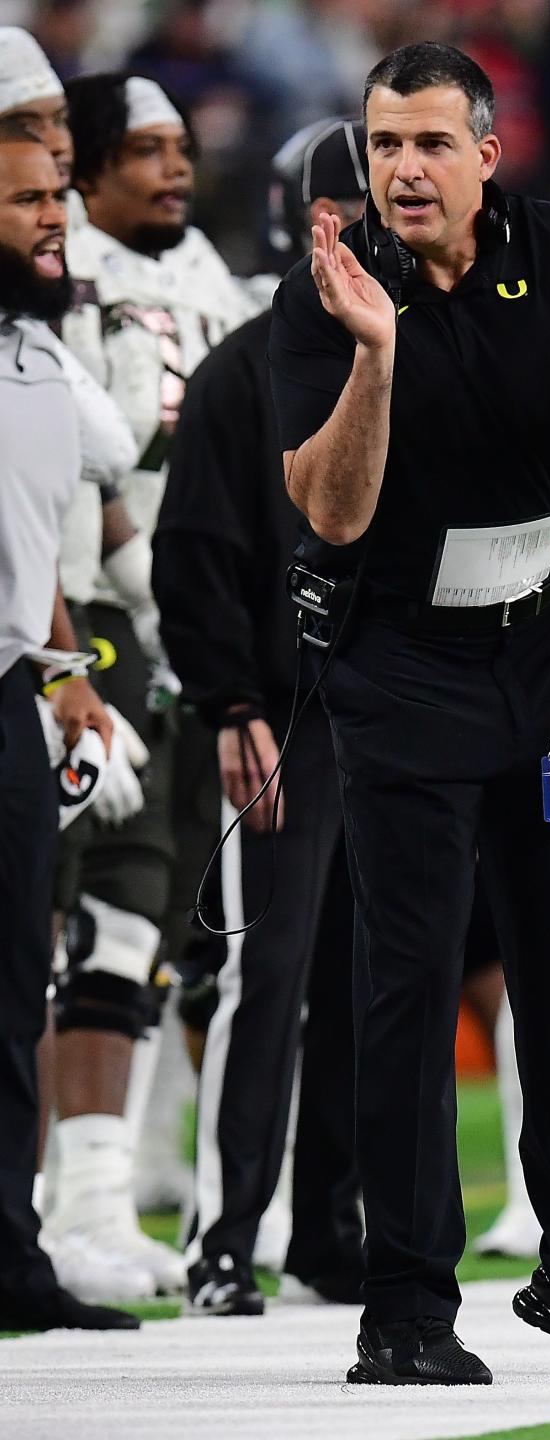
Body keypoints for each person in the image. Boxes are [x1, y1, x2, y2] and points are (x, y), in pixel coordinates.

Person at [270, 41, 550, 1385]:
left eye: (430, 143)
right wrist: (377, 359)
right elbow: (330, 511)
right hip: (401, 663)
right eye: (383, 143)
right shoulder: (331, 293)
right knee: (406, 988)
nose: (403, 168)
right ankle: (403, 1303)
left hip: (547, 662)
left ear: (487, 152)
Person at [42, 69, 256, 1292]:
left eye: (182, 148)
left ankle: (92, 1204)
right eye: (148, 151)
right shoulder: (49, 271)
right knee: (48, 917)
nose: (175, 170)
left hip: (158, 615)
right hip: (71, 614)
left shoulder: (199, 277)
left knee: (135, 920)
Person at [152, 117, 368, 1317]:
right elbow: (195, 551)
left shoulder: (414, 349)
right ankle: (224, 1238)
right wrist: (231, 699)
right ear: (316, 220)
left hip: (396, 714)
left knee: (369, 982)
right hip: (283, 714)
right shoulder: (244, 368)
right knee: (268, 979)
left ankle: (332, 1233)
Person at [0, 135, 135, 1332]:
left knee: (12, 984)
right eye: (29, 199)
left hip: (11, 690)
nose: (58, 217)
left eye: (59, 195)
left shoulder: (36, 345)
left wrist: (65, 670)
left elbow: (48, 516)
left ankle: (9, 1252)